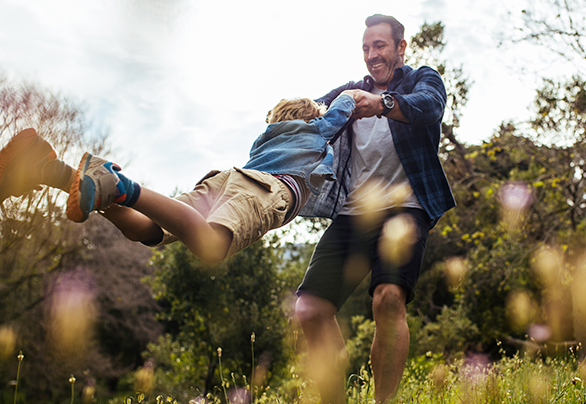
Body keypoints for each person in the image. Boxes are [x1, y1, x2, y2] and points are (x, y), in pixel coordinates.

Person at [294, 14, 456, 403]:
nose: (372, 55)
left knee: (387, 297)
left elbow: (428, 107)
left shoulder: (422, 80)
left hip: (406, 209)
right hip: (353, 213)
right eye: (366, 48)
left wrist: (382, 103)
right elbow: (312, 112)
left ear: (401, 47)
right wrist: (291, 117)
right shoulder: (350, 92)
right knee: (309, 309)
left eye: (380, 46)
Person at [0, 91, 356, 264]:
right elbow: (342, 109)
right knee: (212, 246)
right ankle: (117, 183)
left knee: (146, 228)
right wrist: (352, 96)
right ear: (310, 118)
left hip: (230, 179)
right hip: (266, 188)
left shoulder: (267, 138)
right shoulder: (313, 131)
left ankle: (50, 169)